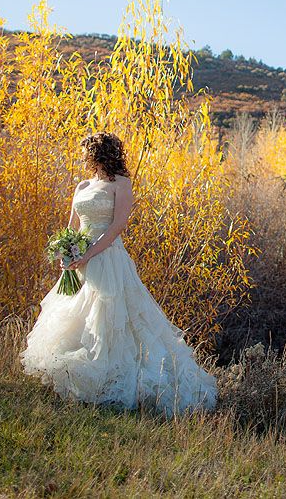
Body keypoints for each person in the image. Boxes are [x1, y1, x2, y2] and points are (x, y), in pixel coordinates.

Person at [20, 132, 217, 415]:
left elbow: (118, 226)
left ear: (101, 153)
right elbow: (72, 226)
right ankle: (75, 381)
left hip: (108, 259)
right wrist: (67, 252)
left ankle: (110, 381)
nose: (86, 157)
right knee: (75, 315)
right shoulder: (83, 185)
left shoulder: (121, 184)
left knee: (109, 317)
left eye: (89, 152)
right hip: (80, 262)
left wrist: (90, 253)